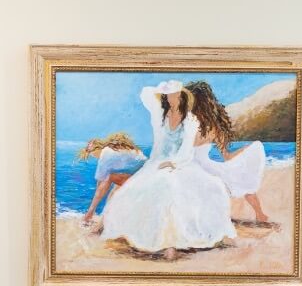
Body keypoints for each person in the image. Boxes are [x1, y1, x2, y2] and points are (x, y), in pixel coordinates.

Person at [100, 80, 235, 261]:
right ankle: (156, 239)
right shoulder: (161, 117)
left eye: (175, 95)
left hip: (182, 162)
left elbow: (187, 148)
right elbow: (145, 93)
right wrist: (162, 88)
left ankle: (171, 245)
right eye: (168, 95)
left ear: (181, 97)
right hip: (159, 161)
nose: (172, 99)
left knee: (173, 187)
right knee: (137, 189)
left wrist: (174, 163)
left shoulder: (190, 119)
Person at [185, 79, 274, 225]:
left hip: (194, 167)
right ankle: (260, 214)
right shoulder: (213, 128)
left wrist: (245, 150)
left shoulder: (187, 125)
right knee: (240, 178)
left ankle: (259, 214)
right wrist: (244, 151)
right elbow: (227, 157)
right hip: (203, 167)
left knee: (238, 178)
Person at [77, 134, 146, 224]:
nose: (95, 157)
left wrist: (93, 203)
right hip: (143, 176)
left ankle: (89, 215)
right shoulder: (116, 150)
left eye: (93, 154)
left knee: (110, 178)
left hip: (141, 178)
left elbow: (100, 180)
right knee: (114, 187)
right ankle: (104, 219)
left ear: (97, 149)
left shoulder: (106, 152)